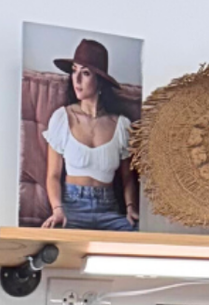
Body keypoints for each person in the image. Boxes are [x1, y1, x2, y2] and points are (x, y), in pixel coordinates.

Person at [40, 38, 138, 231]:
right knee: (52, 240)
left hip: (109, 211)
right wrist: (57, 210)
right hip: (72, 209)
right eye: (74, 71)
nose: (76, 79)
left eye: (85, 73)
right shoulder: (62, 118)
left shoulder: (121, 125)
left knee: (138, 235)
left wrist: (131, 207)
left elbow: (128, 178)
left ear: (100, 81)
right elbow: (53, 175)